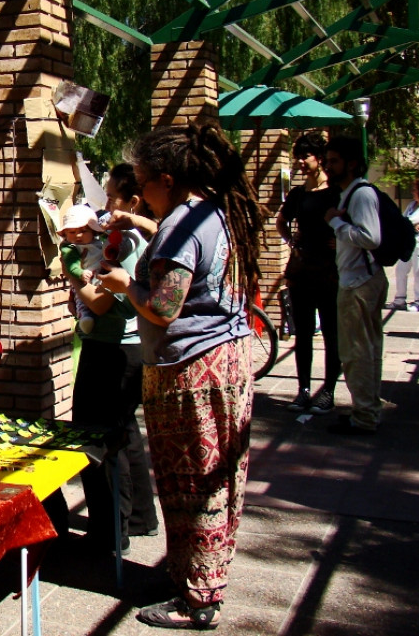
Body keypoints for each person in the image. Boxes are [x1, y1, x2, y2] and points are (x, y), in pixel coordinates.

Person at [96, 121, 262, 630]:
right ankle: (203, 577)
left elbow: (165, 307)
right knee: (219, 480)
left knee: (191, 483)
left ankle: (196, 599)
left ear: (166, 179)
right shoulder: (218, 209)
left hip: (190, 373)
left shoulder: (178, 226)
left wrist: (126, 285)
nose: (140, 192)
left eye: (143, 183)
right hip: (229, 362)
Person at [62, 164, 158, 552]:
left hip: (114, 349)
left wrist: (72, 276)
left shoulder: (125, 243)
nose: (105, 205)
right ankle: (138, 518)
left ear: (133, 201)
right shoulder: (128, 235)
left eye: (113, 196)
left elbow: (102, 305)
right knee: (123, 431)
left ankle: (110, 531)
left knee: (95, 434)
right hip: (128, 348)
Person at [323, 136, 387, 436]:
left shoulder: (360, 194)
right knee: (368, 349)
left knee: (356, 352)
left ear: (350, 163)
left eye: (333, 161)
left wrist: (336, 224)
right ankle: (367, 410)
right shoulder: (352, 193)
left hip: (358, 283)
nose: (327, 166)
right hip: (361, 279)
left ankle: (363, 416)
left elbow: (371, 238)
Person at [275, 132, 341, 414]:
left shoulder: (336, 191)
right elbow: (281, 220)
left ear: (319, 158)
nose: (300, 162)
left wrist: (341, 240)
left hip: (329, 271)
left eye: (306, 156)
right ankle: (303, 390)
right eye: (298, 157)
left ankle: (328, 390)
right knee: (302, 332)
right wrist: (291, 241)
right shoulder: (298, 194)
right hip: (302, 270)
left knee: (330, 332)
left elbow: (349, 222)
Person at [57, 204, 105, 335]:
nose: (78, 235)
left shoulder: (99, 244)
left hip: (99, 279)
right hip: (84, 279)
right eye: (72, 232)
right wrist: (80, 273)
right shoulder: (70, 248)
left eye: (84, 231)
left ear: (93, 231)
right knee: (81, 301)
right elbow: (71, 266)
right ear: (65, 233)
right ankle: (84, 318)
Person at [391, 179, 419, 312]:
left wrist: (409, 224)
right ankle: (399, 299)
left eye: (415, 190)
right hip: (408, 242)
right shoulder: (412, 205)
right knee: (400, 270)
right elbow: (403, 220)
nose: (412, 192)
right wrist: (409, 225)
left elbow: (410, 220)